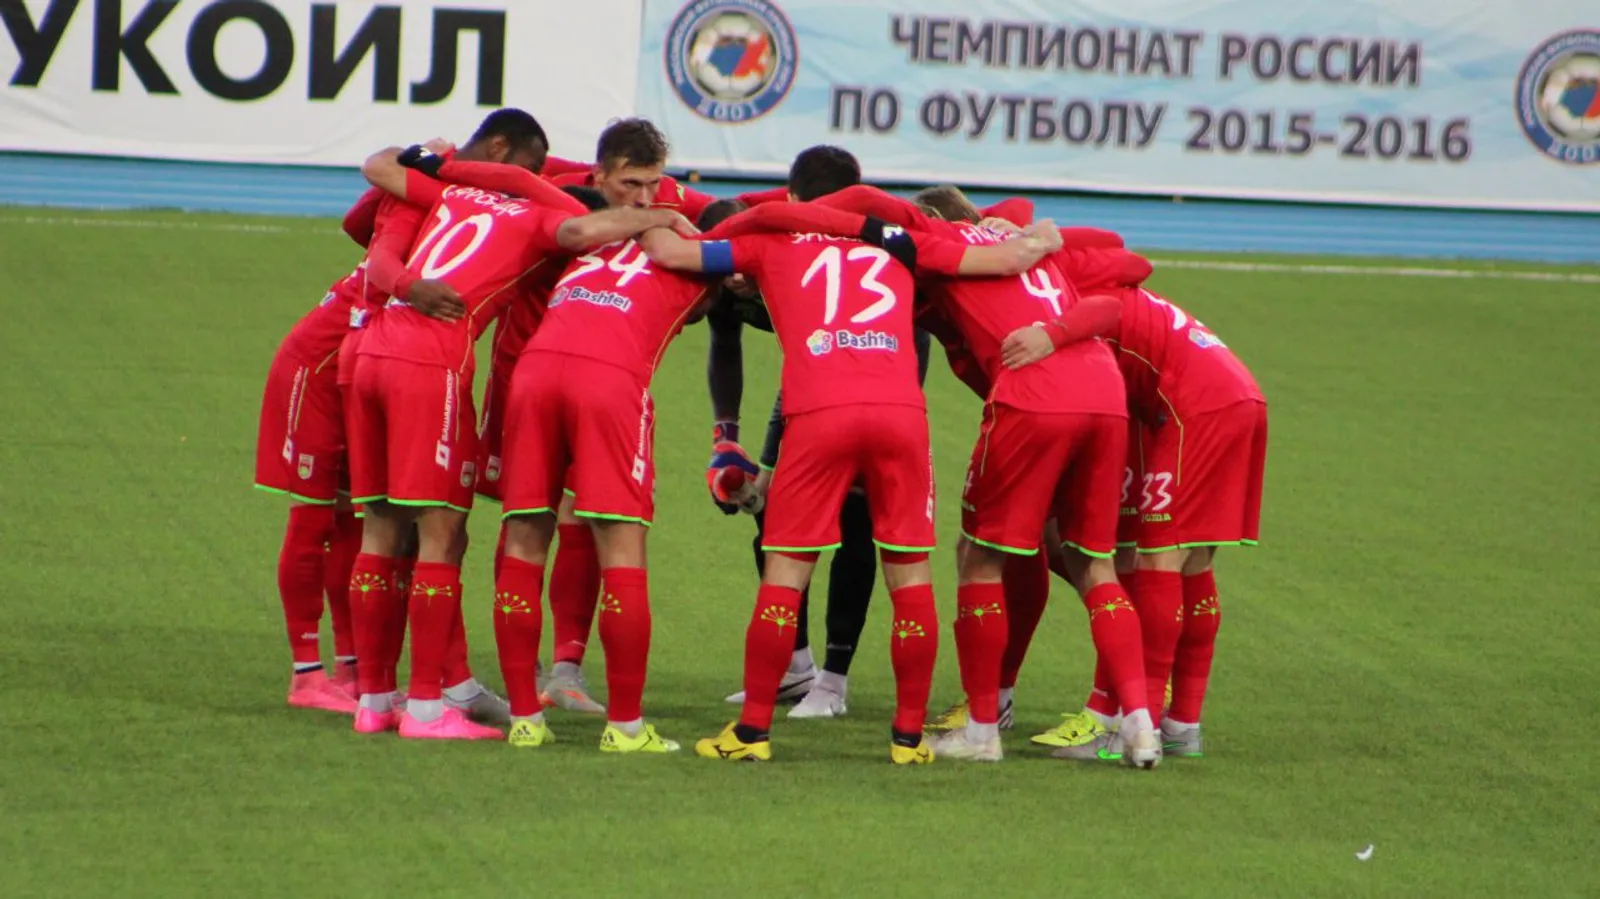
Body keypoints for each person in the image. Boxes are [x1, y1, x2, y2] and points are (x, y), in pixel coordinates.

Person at [639, 148, 1061, 763]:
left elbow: (669, 253)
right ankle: (908, 740)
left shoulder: (771, 240)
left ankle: (751, 733)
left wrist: (653, 214)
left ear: (796, 197)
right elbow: (1006, 258)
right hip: (902, 413)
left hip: (819, 412)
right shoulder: (900, 243)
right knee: (910, 576)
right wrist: (1035, 234)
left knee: (786, 573)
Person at [343, 119, 687, 742]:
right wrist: (663, 217)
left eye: (652, 188)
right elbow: (579, 231)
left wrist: (440, 162)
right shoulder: (545, 211)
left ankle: (375, 700)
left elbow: (379, 171)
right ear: (596, 177)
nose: (641, 199)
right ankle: (429, 708)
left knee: (383, 528)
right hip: (440, 363)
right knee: (444, 536)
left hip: (371, 350)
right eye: (631, 187)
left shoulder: (457, 191)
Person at [809, 185, 1159, 767]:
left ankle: (981, 731)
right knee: (1092, 563)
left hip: (1034, 399)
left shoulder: (943, 243)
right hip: (1105, 397)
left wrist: (783, 211)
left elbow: (869, 200)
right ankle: (1140, 727)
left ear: (928, 219)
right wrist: (1038, 236)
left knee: (979, 558)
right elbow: (1124, 259)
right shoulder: (1026, 249)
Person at [998, 233, 1267, 760]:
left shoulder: (1075, 301)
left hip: (1189, 410)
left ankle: (1127, 724)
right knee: (1195, 561)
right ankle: (1182, 723)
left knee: (1154, 562)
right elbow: (1125, 255)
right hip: (1236, 396)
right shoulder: (1104, 282)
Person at [705, 196, 935, 720]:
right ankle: (795, 667)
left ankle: (834, 680)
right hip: (811, 389)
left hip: (872, 389)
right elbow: (725, 345)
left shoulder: (801, 253)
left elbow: (911, 343)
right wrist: (727, 438)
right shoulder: (731, 276)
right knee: (772, 524)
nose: (735, 280)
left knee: (856, 523)